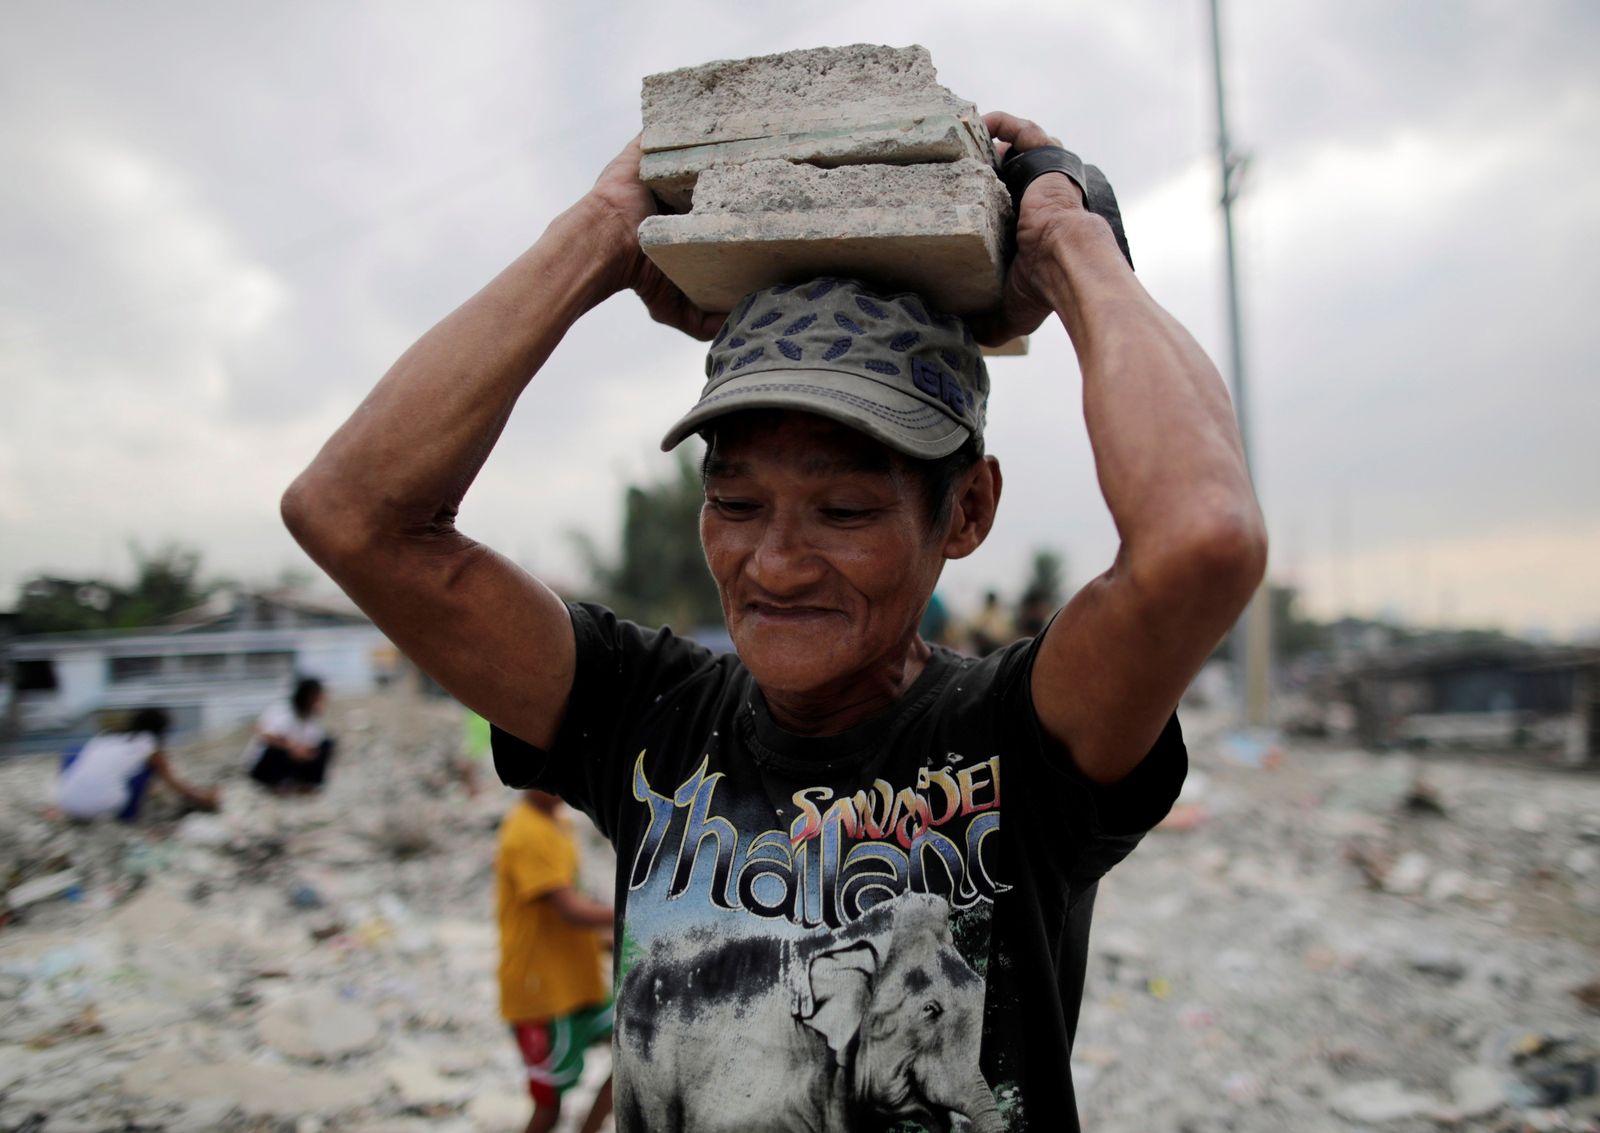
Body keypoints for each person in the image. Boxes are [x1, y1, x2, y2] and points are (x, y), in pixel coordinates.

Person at [283, 111, 1266, 1131]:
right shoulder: (647, 716)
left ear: (965, 510)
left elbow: (1201, 536)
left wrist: (1069, 242)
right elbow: (352, 515)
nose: (775, 564)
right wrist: (604, 233)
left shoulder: (1019, 737)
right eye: (735, 503)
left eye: (843, 510)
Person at [496, 789, 615, 1133]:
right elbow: (570, 910)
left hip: (579, 983)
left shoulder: (558, 821)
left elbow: (570, 902)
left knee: (631, 1050)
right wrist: (632, 910)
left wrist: (605, 940)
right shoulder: (526, 833)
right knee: (548, 1107)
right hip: (542, 993)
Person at [57, 707, 219, 821]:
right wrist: (205, 799)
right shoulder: (148, 746)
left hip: (66, 803)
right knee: (146, 770)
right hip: (102, 806)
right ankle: (129, 817)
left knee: (77, 755)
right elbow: (174, 784)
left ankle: (76, 795)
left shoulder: (105, 738)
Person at [244, 677, 335, 793]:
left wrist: (307, 753)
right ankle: (277, 783)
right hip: (262, 765)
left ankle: (308, 783)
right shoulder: (282, 710)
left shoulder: (311, 719)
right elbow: (262, 732)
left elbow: (314, 743)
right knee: (276, 749)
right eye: (319, 698)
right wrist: (291, 747)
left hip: (292, 760)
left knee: (326, 744)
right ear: (309, 697)